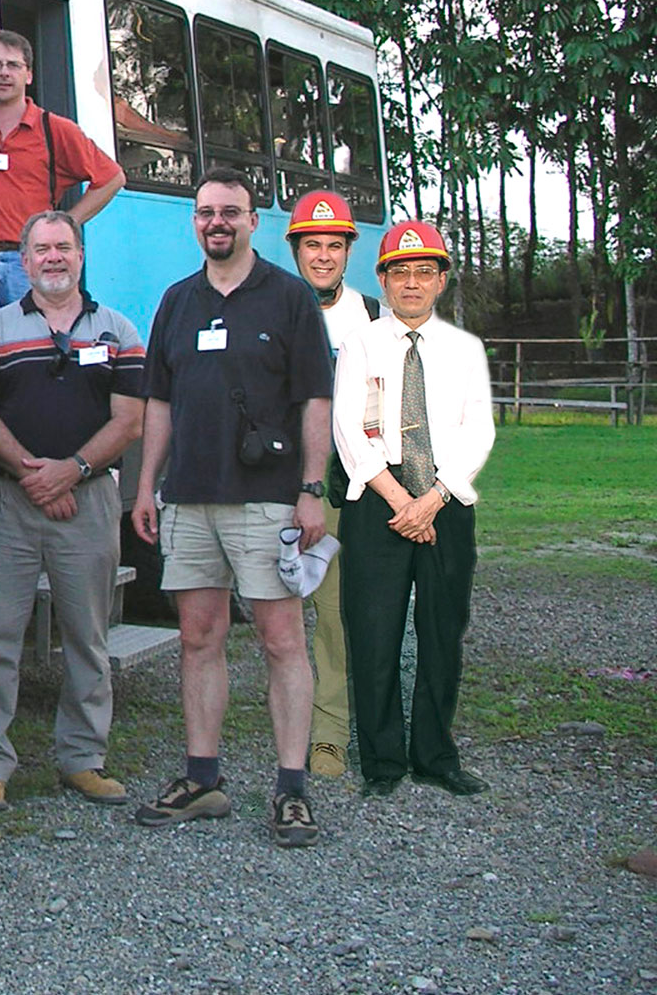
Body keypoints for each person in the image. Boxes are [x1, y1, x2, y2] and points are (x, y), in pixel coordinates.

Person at [129, 168, 334, 849]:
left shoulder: (289, 297)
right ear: (195, 222)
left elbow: (315, 400)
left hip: (267, 498)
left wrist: (312, 489)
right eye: (205, 212)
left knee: (281, 640)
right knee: (198, 637)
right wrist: (146, 485)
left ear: (252, 220)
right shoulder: (177, 301)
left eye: (229, 212)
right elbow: (159, 401)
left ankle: (292, 788)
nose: (216, 222)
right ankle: (203, 777)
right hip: (189, 496)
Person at [0, 210, 145, 813]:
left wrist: (74, 470)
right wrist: (34, 474)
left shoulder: (117, 329)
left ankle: (83, 758)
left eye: (63, 247)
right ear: (24, 261)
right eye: (41, 249)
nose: (53, 258)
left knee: (88, 638)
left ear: (80, 255)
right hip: (9, 506)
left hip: (88, 502)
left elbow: (130, 420)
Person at [332, 220, 496, 796]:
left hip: (444, 501)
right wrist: (403, 502)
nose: (411, 283)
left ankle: (435, 755)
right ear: (382, 279)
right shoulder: (360, 344)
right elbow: (349, 428)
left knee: (442, 632)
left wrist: (433, 499)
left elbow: (478, 431)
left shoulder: (465, 349)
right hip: (380, 500)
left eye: (424, 272)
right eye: (399, 272)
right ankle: (382, 761)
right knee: (374, 632)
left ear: (441, 280)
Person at [284, 189, 383, 779]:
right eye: (312, 244)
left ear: (349, 251)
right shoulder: (271, 305)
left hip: (343, 485)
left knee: (334, 613)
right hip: (273, 480)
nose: (323, 255)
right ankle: (284, 731)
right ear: (295, 249)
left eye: (334, 245)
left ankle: (327, 734)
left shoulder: (373, 315)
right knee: (273, 617)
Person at [0, 30, 124, 324]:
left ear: (29, 75)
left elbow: (112, 178)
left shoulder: (53, 128)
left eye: (13, 65)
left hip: (30, 257)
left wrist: (68, 222)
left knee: (33, 335)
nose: (4, 73)